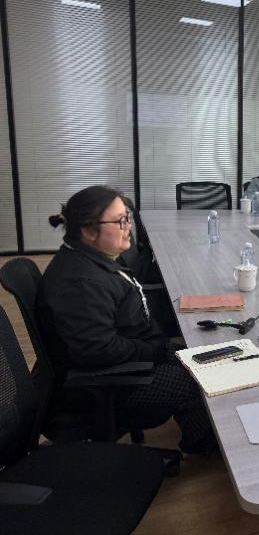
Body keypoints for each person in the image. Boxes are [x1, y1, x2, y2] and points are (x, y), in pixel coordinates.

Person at [36, 186, 216, 455]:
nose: (128, 226)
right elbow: (100, 350)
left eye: (127, 218)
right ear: (88, 231)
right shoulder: (80, 283)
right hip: (104, 384)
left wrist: (160, 346)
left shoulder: (93, 258)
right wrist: (155, 350)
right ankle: (202, 446)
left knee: (197, 356)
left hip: (125, 357)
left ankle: (200, 430)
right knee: (192, 379)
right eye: (120, 221)